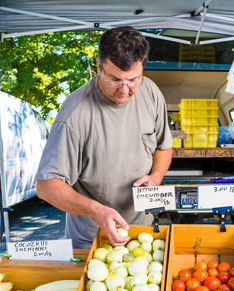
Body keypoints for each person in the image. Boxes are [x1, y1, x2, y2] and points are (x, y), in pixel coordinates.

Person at [36, 26, 173, 249]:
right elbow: (46, 185)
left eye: (133, 80)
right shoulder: (74, 114)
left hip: (144, 233)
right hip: (92, 239)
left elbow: (163, 147)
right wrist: (95, 210)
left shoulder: (151, 92)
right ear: (99, 67)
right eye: (115, 79)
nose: (125, 90)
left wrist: (156, 177)